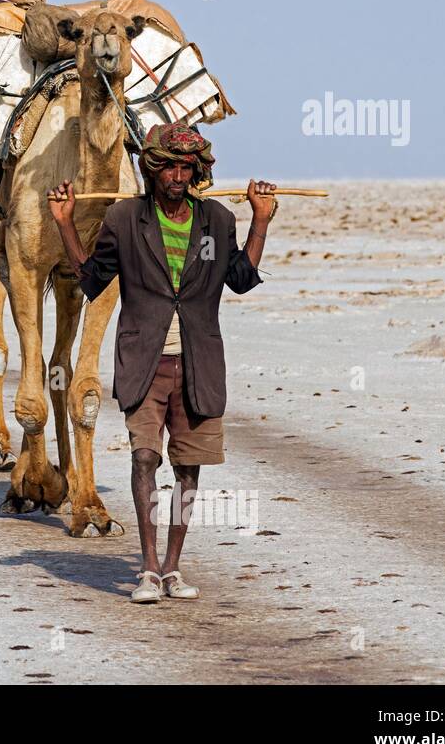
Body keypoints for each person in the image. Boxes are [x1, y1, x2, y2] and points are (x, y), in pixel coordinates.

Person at [46, 122, 275, 603]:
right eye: (167, 165)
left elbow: (240, 278)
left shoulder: (216, 221)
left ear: (196, 171)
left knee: (188, 469)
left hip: (199, 364)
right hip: (144, 361)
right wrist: (65, 223)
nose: (176, 174)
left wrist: (260, 221)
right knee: (144, 457)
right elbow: (90, 280)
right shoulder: (125, 219)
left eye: (185, 166)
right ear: (151, 170)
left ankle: (173, 568)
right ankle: (148, 570)